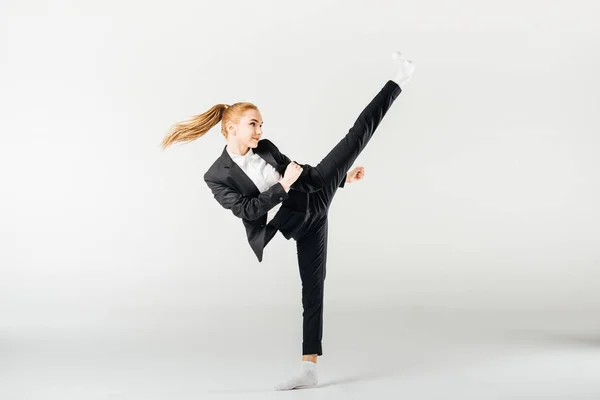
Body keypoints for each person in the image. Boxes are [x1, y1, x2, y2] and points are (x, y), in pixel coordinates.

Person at [161, 51, 415, 390]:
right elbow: (249, 210)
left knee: (356, 137)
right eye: (253, 124)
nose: (259, 130)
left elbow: (301, 173)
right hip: (299, 220)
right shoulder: (215, 176)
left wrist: (340, 178)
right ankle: (309, 372)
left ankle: (399, 79)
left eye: (261, 124)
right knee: (312, 291)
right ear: (230, 128)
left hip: (319, 192)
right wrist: (282, 186)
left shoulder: (265, 147)